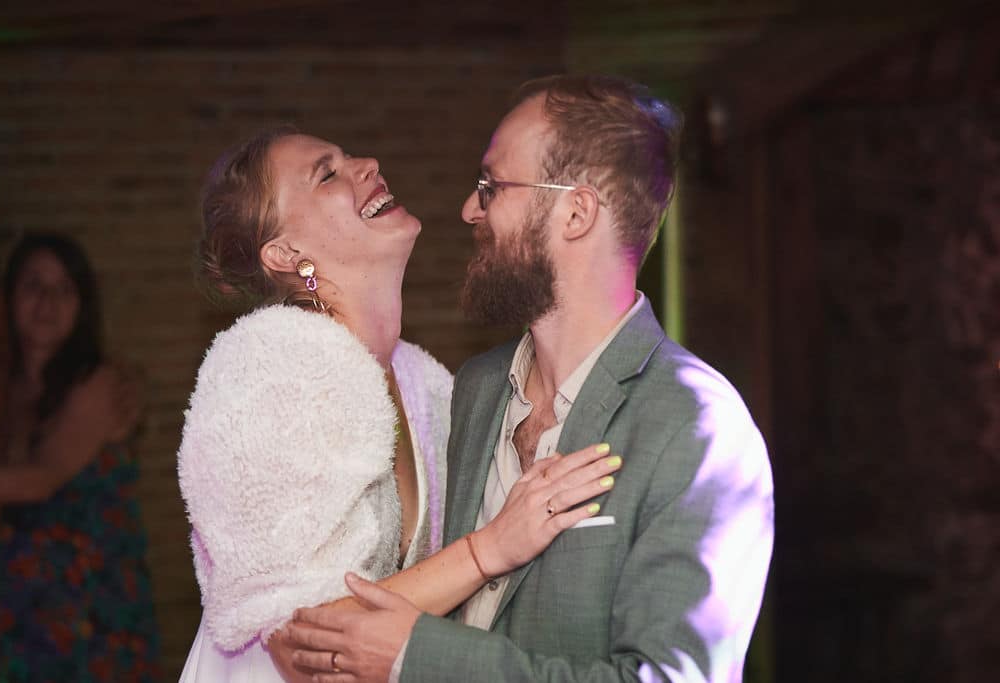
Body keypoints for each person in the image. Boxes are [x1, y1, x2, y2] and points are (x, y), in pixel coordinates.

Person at [286, 75, 775, 683]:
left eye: (491, 187)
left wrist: (420, 658)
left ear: (575, 212)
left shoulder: (696, 426)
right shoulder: (476, 389)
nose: (470, 209)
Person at [177, 127, 623, 682]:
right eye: (327, 174)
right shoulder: (264, 368)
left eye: (348, 157)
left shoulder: (423, 381)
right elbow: (302, 644)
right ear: (287, 254)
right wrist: (491, 548)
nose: (366, 163)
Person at [0, 232, 160, 681]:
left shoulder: (99, 381)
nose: (47, 301)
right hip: (23, 608)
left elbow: (42, 478)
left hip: (94, 604)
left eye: (64, 289)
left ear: (82, 305)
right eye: (33, 285)